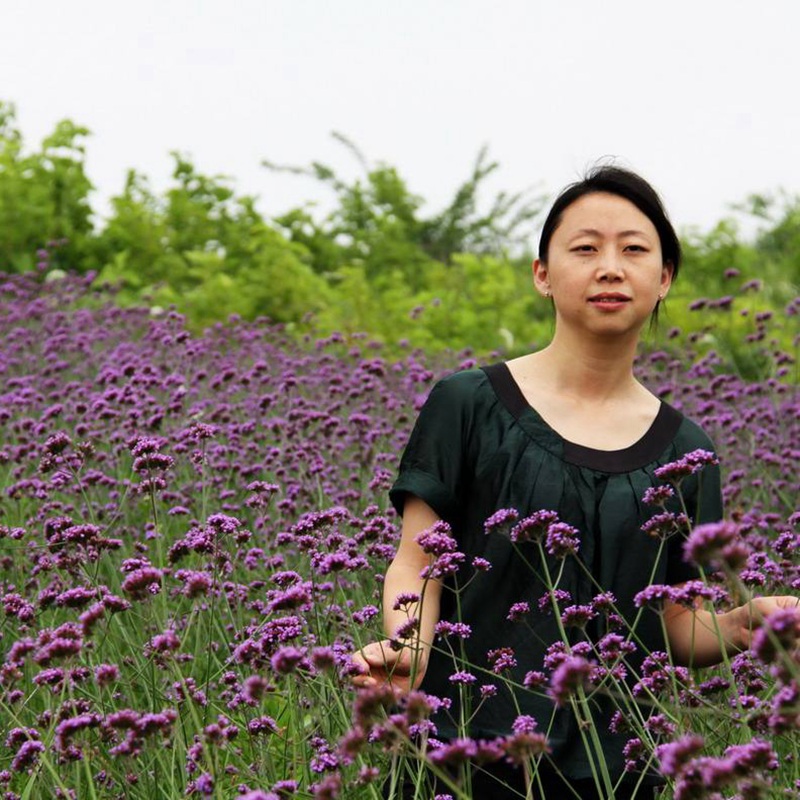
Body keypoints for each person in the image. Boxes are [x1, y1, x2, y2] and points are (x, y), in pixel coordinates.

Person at [352, 165, 797, 799]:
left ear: (664, 277)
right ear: (543, 274)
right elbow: (417, 563)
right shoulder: (467, 405)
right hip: (463, 757)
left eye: (635, 250)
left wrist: (741, 625)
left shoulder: (686, 452)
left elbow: (675, 620)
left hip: (619, 771)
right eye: (585, 248)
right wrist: (409, 647)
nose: (610, 267)